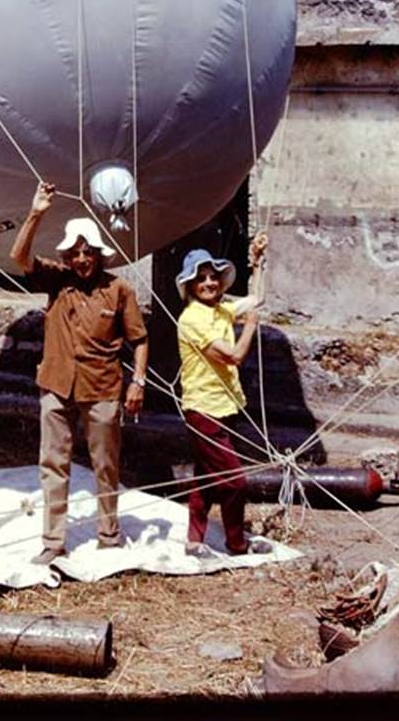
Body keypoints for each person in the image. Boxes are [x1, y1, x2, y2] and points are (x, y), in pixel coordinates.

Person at [10, 180, 148, 566]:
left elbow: (140, 339)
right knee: (53, 463)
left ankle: (109, 535)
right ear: (67, 257)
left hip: (102, 388)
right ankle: (53, 541)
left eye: (88, 252)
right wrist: (36, 213)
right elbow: (19, 256)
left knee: (105, 464)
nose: (82, 259)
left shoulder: (119, 290)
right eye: (75, 253)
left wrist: (138, 382)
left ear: (99, 255)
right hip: (56, 385)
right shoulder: (57, 281)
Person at [175, 233, 270, 556]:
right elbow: (233, 356)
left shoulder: (222, 309)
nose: (209, 283)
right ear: (190, 286)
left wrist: (257, 262)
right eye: (200, 279)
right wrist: (251, 327)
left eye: (213, 277)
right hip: (203, 410)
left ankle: (194, 540)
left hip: (224, 406)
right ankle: (236, 542)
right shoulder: (192, 319)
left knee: (204, 477)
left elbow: (256, 300)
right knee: (234, 482)